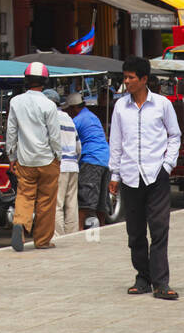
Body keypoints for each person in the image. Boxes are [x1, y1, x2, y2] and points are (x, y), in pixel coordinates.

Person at [109, 55, 181, 300]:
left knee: (159, 229)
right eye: (125, 77)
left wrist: (167, 165)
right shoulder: (120, 107)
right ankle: (143, 277)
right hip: (130, 176)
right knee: (135, 232)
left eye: (131, 77)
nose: (126, 82)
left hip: (156, 175)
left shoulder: (162, 105)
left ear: (144, 79)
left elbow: (175, 135)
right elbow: (116, 142)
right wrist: (115, 174)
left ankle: (161, 283)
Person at [6, 61, 62, 251]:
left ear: (26, 80)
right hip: (47, 159)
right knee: (46, 201)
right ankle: (42, 240)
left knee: (24, 195)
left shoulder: (15, 102)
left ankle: (20, 223)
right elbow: (54, 135)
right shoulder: (49, 105)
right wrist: (58, 156)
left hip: (25, 159)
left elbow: (11, 132)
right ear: (44, 82)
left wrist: (11, 156)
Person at [65, 91, 111, 231]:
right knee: (102, 198)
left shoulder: (77, 120)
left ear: (73, 108)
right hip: (105, 158)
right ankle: (102, 227)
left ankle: (79, 229)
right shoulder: (92, 116)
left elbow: (70, 141)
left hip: (91, 159)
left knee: (85, 198)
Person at [44, 89, 80, 236]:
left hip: (60, 165)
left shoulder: (50, 118)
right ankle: (72, 235)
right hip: (73, 165)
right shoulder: (68, 118)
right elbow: (79, 147)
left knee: (57, 204)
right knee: (71, 203)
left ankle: (58, 236)